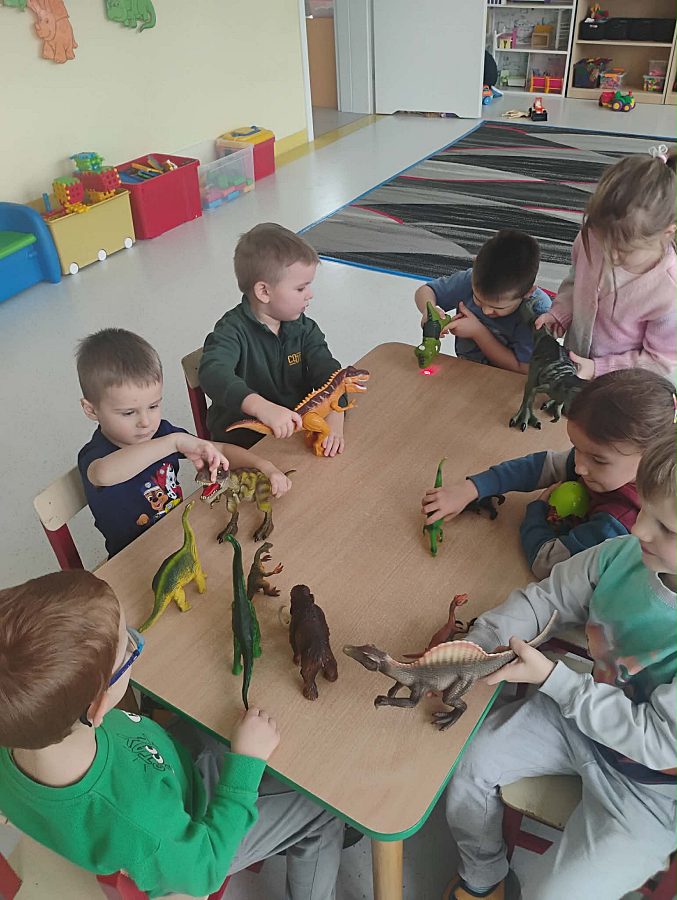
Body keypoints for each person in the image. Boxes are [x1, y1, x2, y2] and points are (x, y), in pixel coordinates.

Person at [0, 570, 344, 899]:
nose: (134, 644)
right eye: (129, 647)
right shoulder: (137, 818)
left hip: (165, 771)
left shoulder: (17, 725)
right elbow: (204, 872)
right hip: (197, 830)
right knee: (326, 805)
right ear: (98, 705)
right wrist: (245, 767)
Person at [444, 429, 677, 900]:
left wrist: (557, 681)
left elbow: (660, 742)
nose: (638, 530)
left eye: (666, 528)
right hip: (579, 720)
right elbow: (547, 599)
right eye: (645, 509)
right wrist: (479, 643)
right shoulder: (624, 555)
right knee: (468, 768)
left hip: (653, 790)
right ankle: (484, 877)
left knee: (554, 893)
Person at [422, 368, 676, 579]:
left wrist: (536, 511)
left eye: (598, 459)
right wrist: (472, 488)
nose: (579, 467)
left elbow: (547, 564)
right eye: (576, 448)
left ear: (652, 456)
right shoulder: (604, 461)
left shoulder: (617, 521)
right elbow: (539, 466)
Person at [77, 328, 291, 557]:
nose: (145, 422)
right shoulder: (96, 454)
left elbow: (220, 449)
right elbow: (103, 475)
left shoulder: (163, 432)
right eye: (128, 413)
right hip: (133, 557)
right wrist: (174, 442)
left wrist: (263, 466)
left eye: (153, 406)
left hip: (179, 535)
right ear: (91, 410)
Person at [199, 223, 346, 456]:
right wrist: (261, 407)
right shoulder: (231, 330)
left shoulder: (304, 327)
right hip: (243, 445)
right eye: (301, 288)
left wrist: (336, 415)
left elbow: (329, 372)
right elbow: (212, 373)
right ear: (264, 292)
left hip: (295, 434)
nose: (310, 294)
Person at [535, 148, 677, 380]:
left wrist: (598, 369)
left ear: (667, 233)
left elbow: (659, 362)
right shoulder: (590, 237)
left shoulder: (669, 291)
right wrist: (560, 313)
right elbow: (575, 282)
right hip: (575, 360)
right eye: (603, 241)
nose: (611, 256)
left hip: (622, 383)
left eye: (624, 250)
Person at [413, 229, 551, 373]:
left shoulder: (537, 314)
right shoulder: (470, 280)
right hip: (468, 370)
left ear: (528, 292)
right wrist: (429, 310)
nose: (486, 311)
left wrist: (478, 332)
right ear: (475, 263)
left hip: (508, 380)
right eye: (477, 299)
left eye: (498, 308)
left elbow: (523, 369)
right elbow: (426, 290)